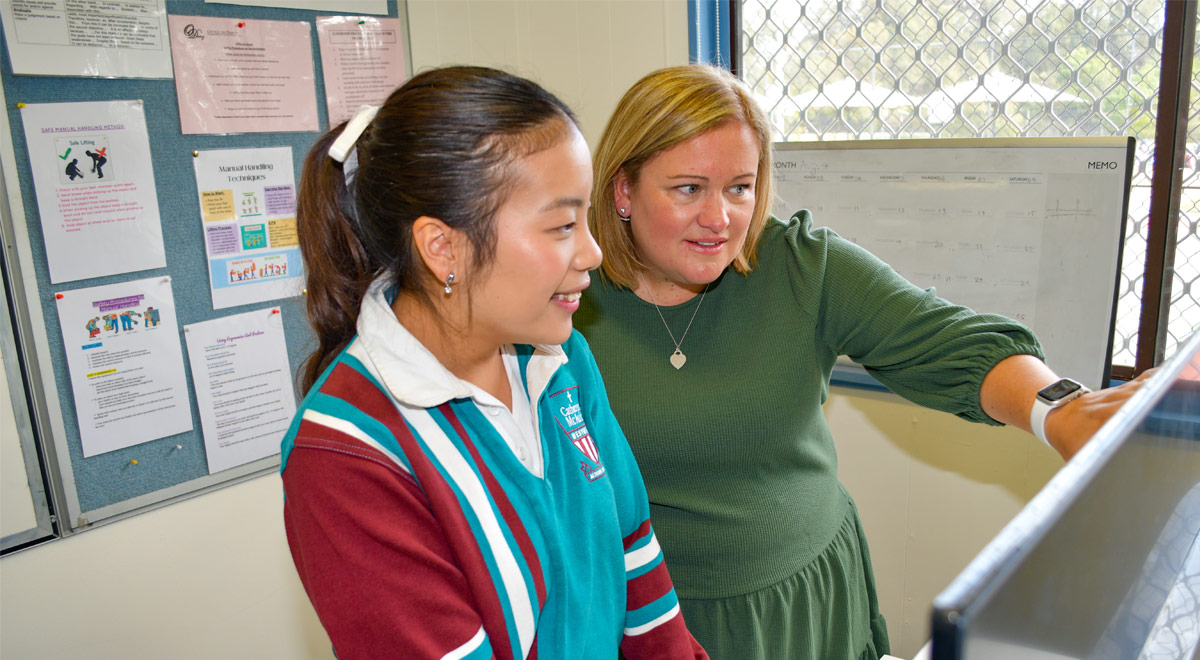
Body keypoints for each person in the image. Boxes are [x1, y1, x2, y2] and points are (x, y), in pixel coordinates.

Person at [574, 64, 1152, 660]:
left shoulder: (799, 267)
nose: (720, 219)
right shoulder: (564, 294)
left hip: (803, 603)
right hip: (649, 618)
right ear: (623, 190)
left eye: (740, 187)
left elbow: (949, 339)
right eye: (689, 188)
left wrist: (1064, 409)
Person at [281, 66, 708, 660]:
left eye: (585, 218)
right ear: (443, 247)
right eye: (561, 225)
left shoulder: (562, 361)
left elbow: (636, 561)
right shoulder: (348, 454)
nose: (592, 251)